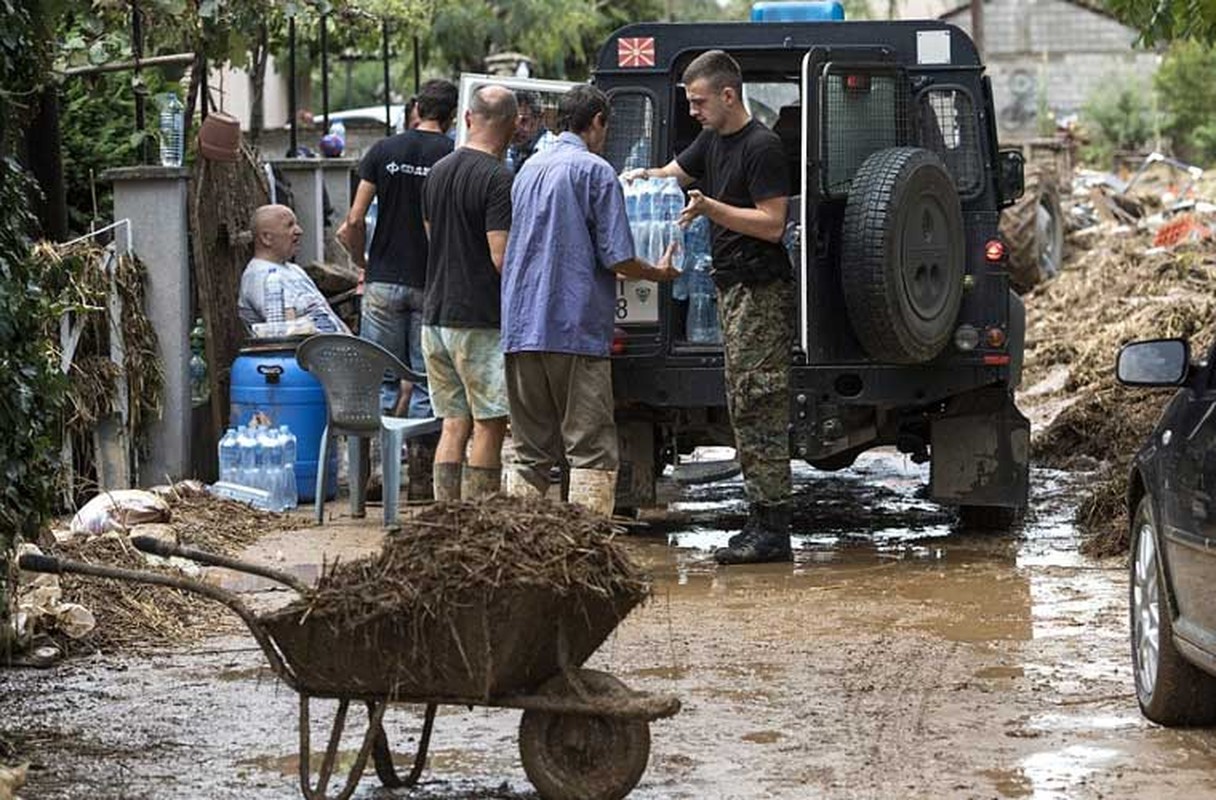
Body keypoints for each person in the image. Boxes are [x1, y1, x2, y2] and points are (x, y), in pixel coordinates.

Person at [626, 50, 794, 564]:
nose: (693, 110)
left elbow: (772, 223)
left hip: (760, 290)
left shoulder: (762, 146)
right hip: (730, 288)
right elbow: (675, 173)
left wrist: (710, 207)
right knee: (741, 400)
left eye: (699, 101)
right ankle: (760, 517)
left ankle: (773, 527)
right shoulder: (712, 139)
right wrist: (640, 179)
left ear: (728, 95)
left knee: (758, 401)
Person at [501, 86, 679, 517]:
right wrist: (658, 271)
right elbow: (616, 255)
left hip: (520, 328)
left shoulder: (528, 169)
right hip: (573, 326)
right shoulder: (595, 171)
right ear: (597, 121)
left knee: (529, 451)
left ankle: (520, 547)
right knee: (591, 448)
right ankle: (586, 548)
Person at [337, 79, 457, 501]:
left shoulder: (383, 152)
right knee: (426, 382)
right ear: (453, 116)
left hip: (383, 283)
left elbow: (353, 221)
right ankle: (422, 483)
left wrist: (362, 263)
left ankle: (374, 480)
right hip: (432, 283)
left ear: (419, 108)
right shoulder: (452, 156)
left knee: (381, 381)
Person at [420, 85, 517, 501]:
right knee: (490, 422)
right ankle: (481, 518)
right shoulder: (499, 178)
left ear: (467, 119)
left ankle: (447, 519)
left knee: (453, 423)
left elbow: (432, 236)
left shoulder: (438, 171)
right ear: (514, 127)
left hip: (435, 317)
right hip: (478, 319)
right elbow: (501, 257)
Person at [239, 204, 349, 334]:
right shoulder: (260, 277)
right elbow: (289, 333)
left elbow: (329, 314)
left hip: (335, 347)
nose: (299, 231)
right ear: (266, 238)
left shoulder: (294, 269)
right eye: (290, 225)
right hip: (308, 352)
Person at [505, 91, 558, 173]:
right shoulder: (507, 149)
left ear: (540, 119)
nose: (517, 127)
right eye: (513, 120)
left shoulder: (553, 150)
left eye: (524, 121)